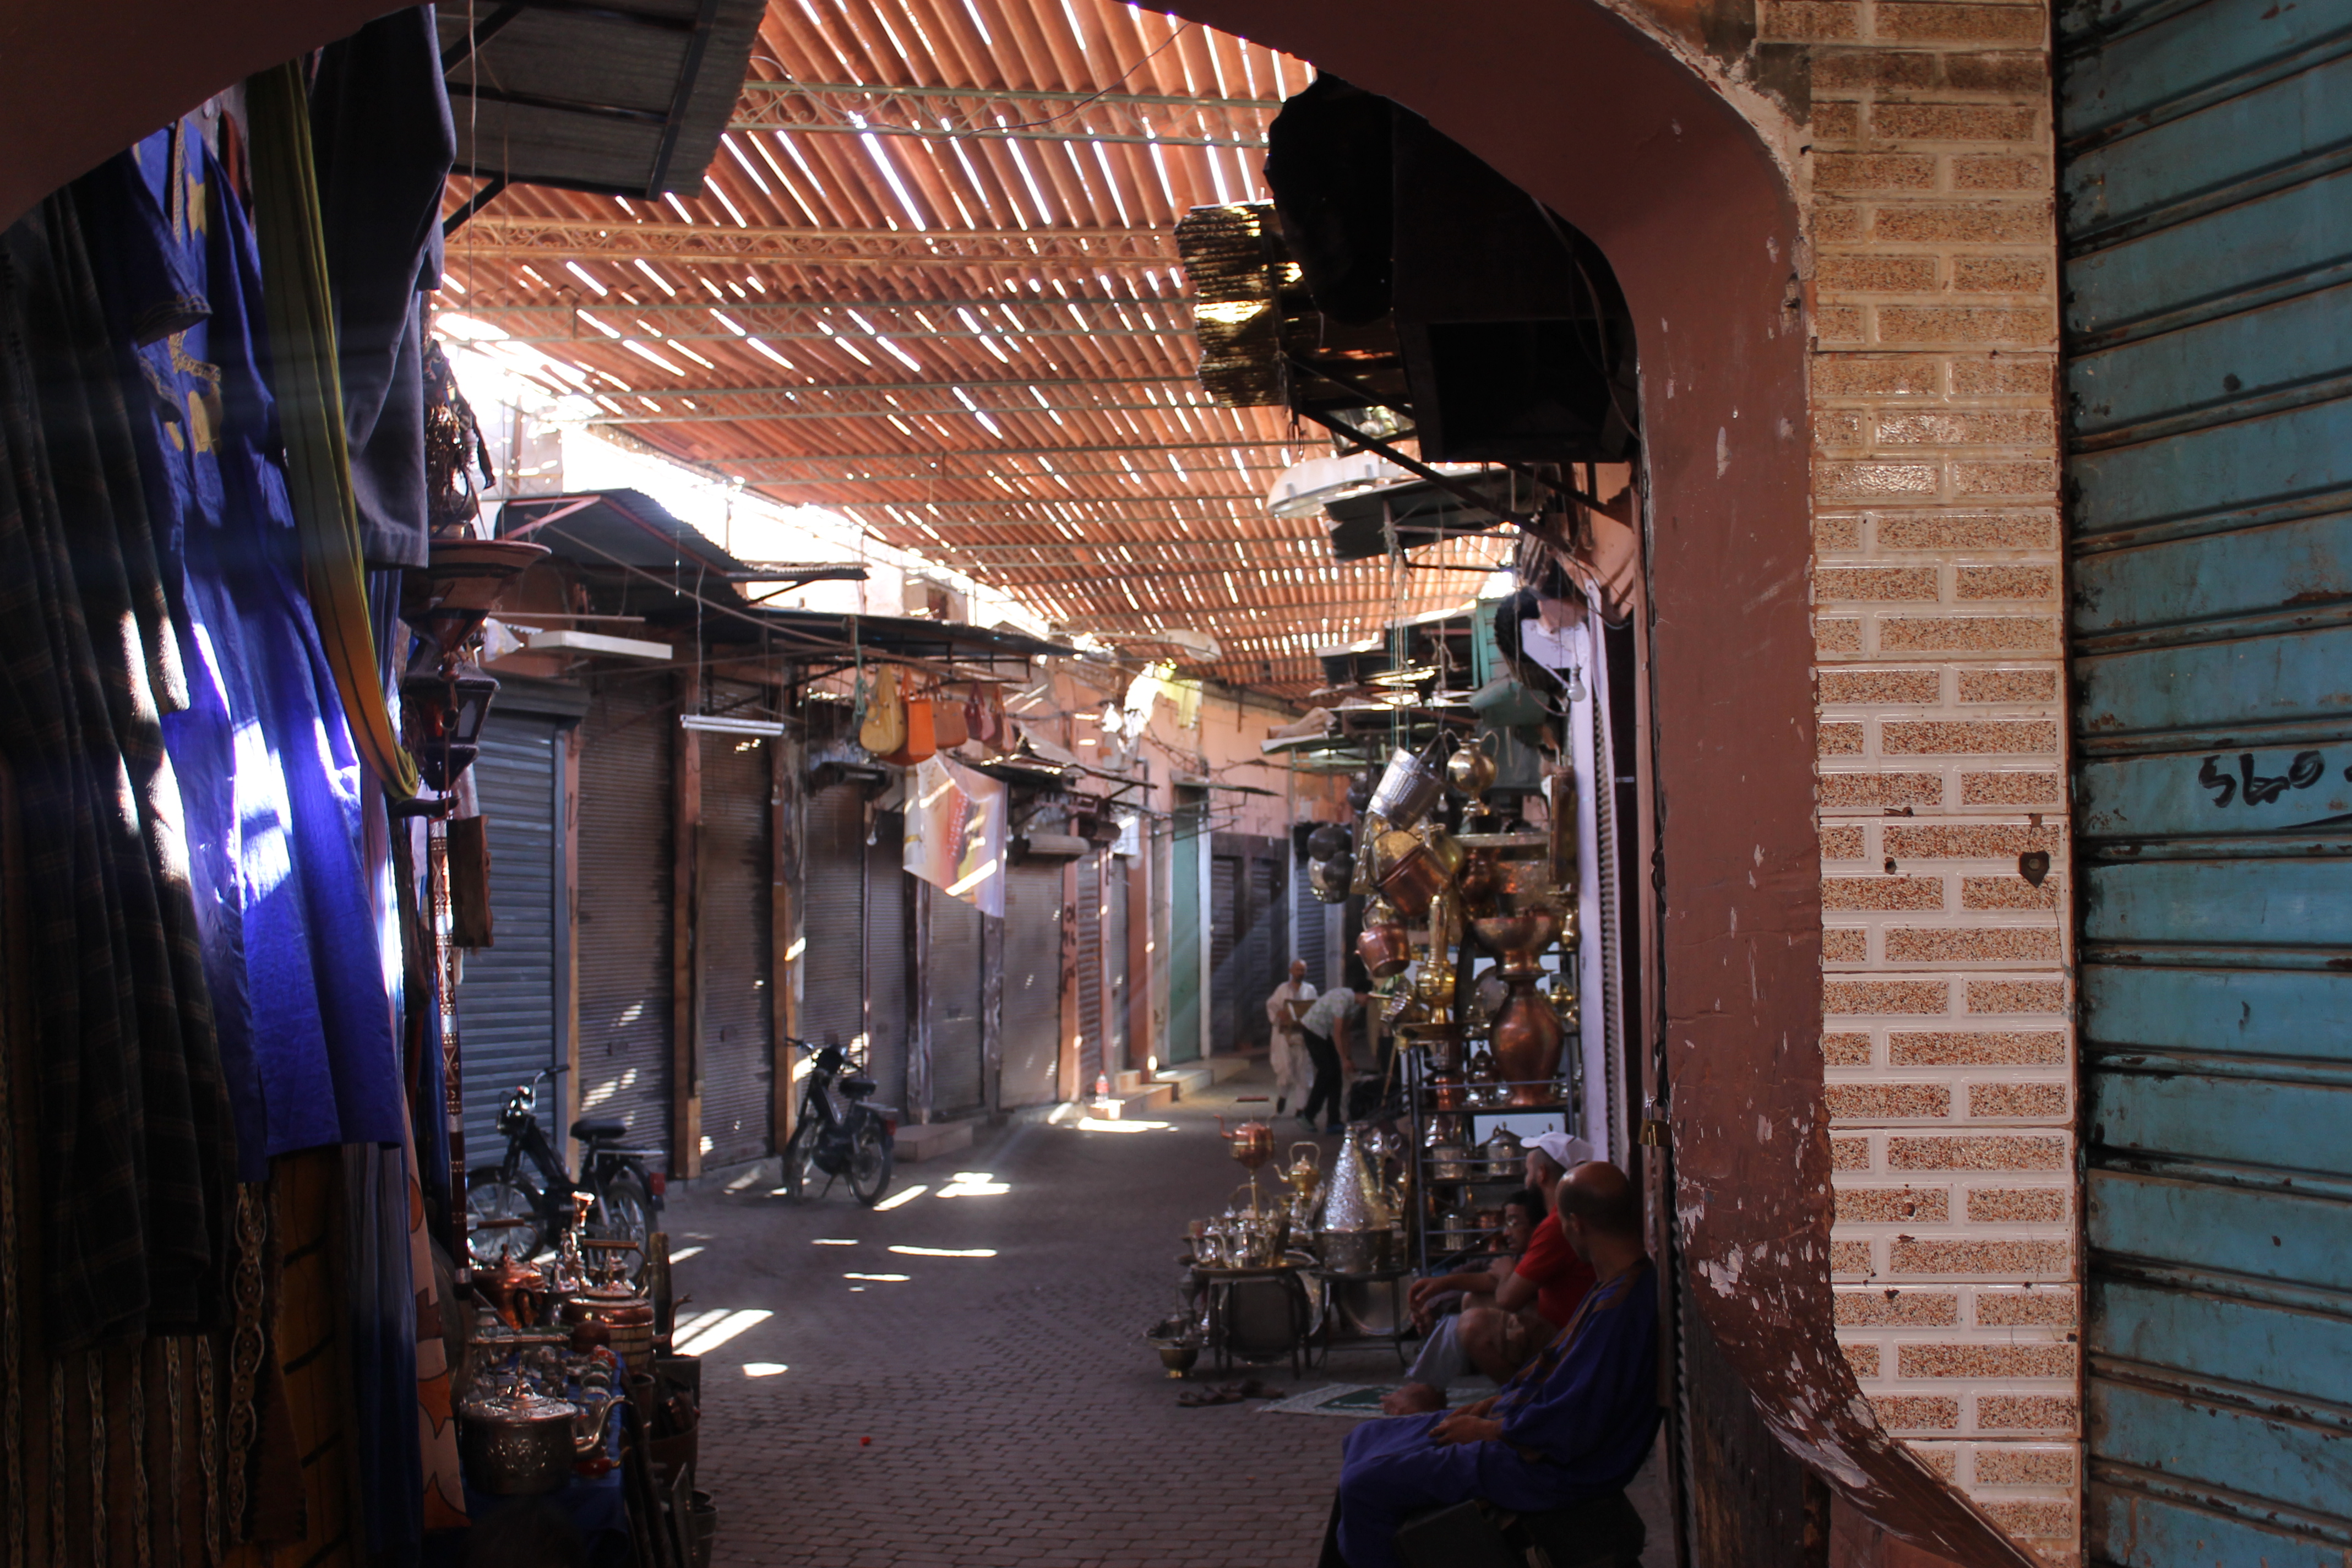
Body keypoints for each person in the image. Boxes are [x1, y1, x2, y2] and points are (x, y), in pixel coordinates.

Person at [1318, 1161, 1660, 1568]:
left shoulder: (1622, 1309)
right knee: (1367, 1439)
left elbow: (1573, 1423)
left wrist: (1492, 1430)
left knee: (1363, 1486)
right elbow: (1555, 1377)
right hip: (1523, 1431)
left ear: (1575, 1224)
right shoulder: (1615, 1285)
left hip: (1550, 1468)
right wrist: (1488, 1408)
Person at [1380, 1132, 1594, 1414]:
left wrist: (1507, 1273)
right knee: (1472, 1301)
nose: (1525, 1177)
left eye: (1529, 1170)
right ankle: (1428, 1387)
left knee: (1472, 1324)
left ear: (1542, 1174)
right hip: (1562, 1322)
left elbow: (1508, 1298)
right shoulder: (1561, 1217)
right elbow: (1501, 1281)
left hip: (1568, 1336)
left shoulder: (1556, 1225)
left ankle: (1525, 1404)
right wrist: (1442, 1284)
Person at [1295, 968, 1365, 1134]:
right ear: (1361, 993)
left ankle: (1333, 1121)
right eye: (1368, 998)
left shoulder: (1356, 1006)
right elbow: (1337, 1032)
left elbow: (1346, 1033)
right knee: (1327, 1071)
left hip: (1326, 1033)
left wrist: (1348, 1058)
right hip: (1313, 1030)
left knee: (1336, 1075)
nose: (1368, 1002)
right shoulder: (1343, 999)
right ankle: (1307, 1115)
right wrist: (1344, 1059)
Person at [1265, 959, 1319, 1115]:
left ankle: (1300, 1108)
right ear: (1291, 971)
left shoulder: (1311, 990)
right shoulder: (1282, 989)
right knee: (1286, 1071)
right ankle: (1283, 1096)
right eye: (1298, 970)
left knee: (1303, 1071)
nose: (1300, 973)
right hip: (1284, 1037)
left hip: (1303, 1036)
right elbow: (1271, 1006)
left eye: (1303, 970)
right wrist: (1279, 1014)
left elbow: (1315, 1008)